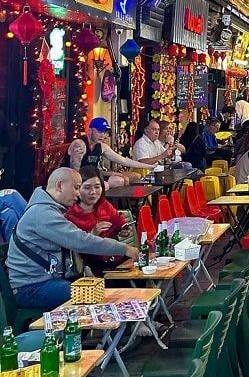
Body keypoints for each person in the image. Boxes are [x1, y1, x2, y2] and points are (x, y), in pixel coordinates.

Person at [7, 168, 139, 310]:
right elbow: (81, 240)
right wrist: (124, 248)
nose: (78, 193)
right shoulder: (42, 213)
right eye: (76, 187)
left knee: (99, 290)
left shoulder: (49, 209)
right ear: (59, 186)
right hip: (31, 287)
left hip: (48, 280)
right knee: (91, 295)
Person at [65, 167, 131, 275]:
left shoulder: (103, 204)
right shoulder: (71, 214)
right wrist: (93, 234)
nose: (93, 192)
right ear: (77, 189)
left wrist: (124, 228)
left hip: (113, 258)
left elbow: (118, 220)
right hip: (90, 265)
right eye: (87, 187)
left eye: (97, 187)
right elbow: (75, 246)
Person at [62, 117, 150, 174]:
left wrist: (149, 167)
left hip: (91, 177)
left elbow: (123, 161)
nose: (103, 135)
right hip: (74, 179)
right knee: (114, 182)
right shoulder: (80, 144)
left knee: (129, 177)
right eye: (99, 132)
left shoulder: (102, 146)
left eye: (104, 132)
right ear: (91, 131)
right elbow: (74, 171)